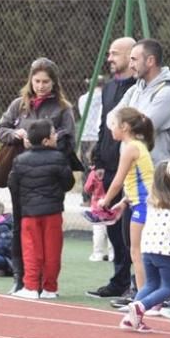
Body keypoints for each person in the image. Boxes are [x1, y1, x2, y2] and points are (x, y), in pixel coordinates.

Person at [0, 58, 76, 293]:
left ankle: (46, 283)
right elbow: (0, 129)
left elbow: (69, 140)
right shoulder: (19, 104)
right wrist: (16, 134)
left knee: (48, 234)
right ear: (30, 80)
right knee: (21, 228)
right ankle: (21, 279)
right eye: (37, 81)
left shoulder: (62, 108)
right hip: (22, 176)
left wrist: (49, 144)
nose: (40, 86)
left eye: (46, 82)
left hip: (50, 178)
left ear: (54, 82)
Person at [86, 37, 136, 299]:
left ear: (131, 56)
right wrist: (99, 159)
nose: (110, 58)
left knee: (129, 229)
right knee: (113, 228)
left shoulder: (138, 88)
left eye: (115, 53)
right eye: (110, 53)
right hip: (109, 166)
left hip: (130, 169)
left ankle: (135, 284)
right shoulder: (108, 89)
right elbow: (104, 126)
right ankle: (119, 280)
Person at [122, 159, 170, 333]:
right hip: (166, 250)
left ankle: (130, 317)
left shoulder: (152, 200)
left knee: (150, 284)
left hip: (148, 248)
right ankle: (141, 307)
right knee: (168, 287)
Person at [7, 119, 75, 299]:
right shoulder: (59, 158)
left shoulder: (20, 160)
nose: (56, 136)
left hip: (29, 213)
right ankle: (50, 288)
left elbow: (13, 184)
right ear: (46, 140)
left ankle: (30, 286)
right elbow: (69, 183)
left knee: (31, 249)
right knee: (52, 250)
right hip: (53, 212)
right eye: (53, 134)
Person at [97, 107, 154, 298]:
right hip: (141, 203)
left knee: (136, 253)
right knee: (141, 253)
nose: (111, 128)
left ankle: (142, 298)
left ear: (125, 127)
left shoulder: (131, 148)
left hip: (144, 207)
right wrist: (123, 202)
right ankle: (147, 294)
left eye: (113, 124)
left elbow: (118, 180)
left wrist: (105, 201)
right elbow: (138, 180)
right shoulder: (138, 146)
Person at [115, 38, 170, 164]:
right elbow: (113, 118)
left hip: (155, 174)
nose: (130, 65)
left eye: (134, 60)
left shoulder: (167, 93)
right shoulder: (135, 90)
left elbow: (140, 130)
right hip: (134, 172)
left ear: (150, 61)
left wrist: (122, 125)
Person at [78, 77, 111, 262]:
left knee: (87, 169)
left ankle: (86, 199)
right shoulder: (104, 98)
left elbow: (83, 113)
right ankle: (112, 252)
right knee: (112, 223)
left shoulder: (84, 99)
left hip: (86, 134)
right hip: (98, 135)